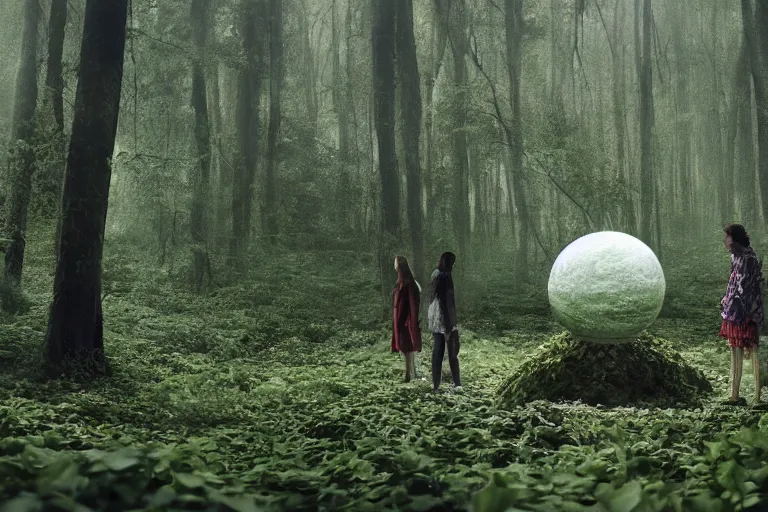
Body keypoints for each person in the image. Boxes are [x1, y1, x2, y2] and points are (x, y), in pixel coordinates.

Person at [719, 223, 764, 405]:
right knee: (734, 349)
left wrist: (730, 302)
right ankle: (735, 395)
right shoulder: (736, 256)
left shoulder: (747, 258)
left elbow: (744, 289)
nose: (725, 241)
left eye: (727, 237)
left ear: (735, 238)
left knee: (753, 351)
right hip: (734, 311)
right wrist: (726, 300)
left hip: (746, 311)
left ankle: (758, 398)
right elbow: (733, 282)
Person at [429, 251, 461, 392]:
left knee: (438, 352)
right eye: (453, 262)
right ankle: (457, 383)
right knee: (452, 352)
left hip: (436, 316)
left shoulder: (436, 274)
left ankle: (436, 385)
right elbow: (447, 302)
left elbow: (434, 298)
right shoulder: (445, 276)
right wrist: (449, 325)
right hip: (445, 317)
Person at [392, 256, 422, 382]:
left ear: (400, 266)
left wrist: (411, 320)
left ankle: (409, 375)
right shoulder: (401, 281)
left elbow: (413, 303)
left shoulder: (409, 283)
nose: (395, 265)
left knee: (407, 347)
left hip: (405, 320)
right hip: (399, 319)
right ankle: (410, 373)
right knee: (404, 347)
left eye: (396, 263)